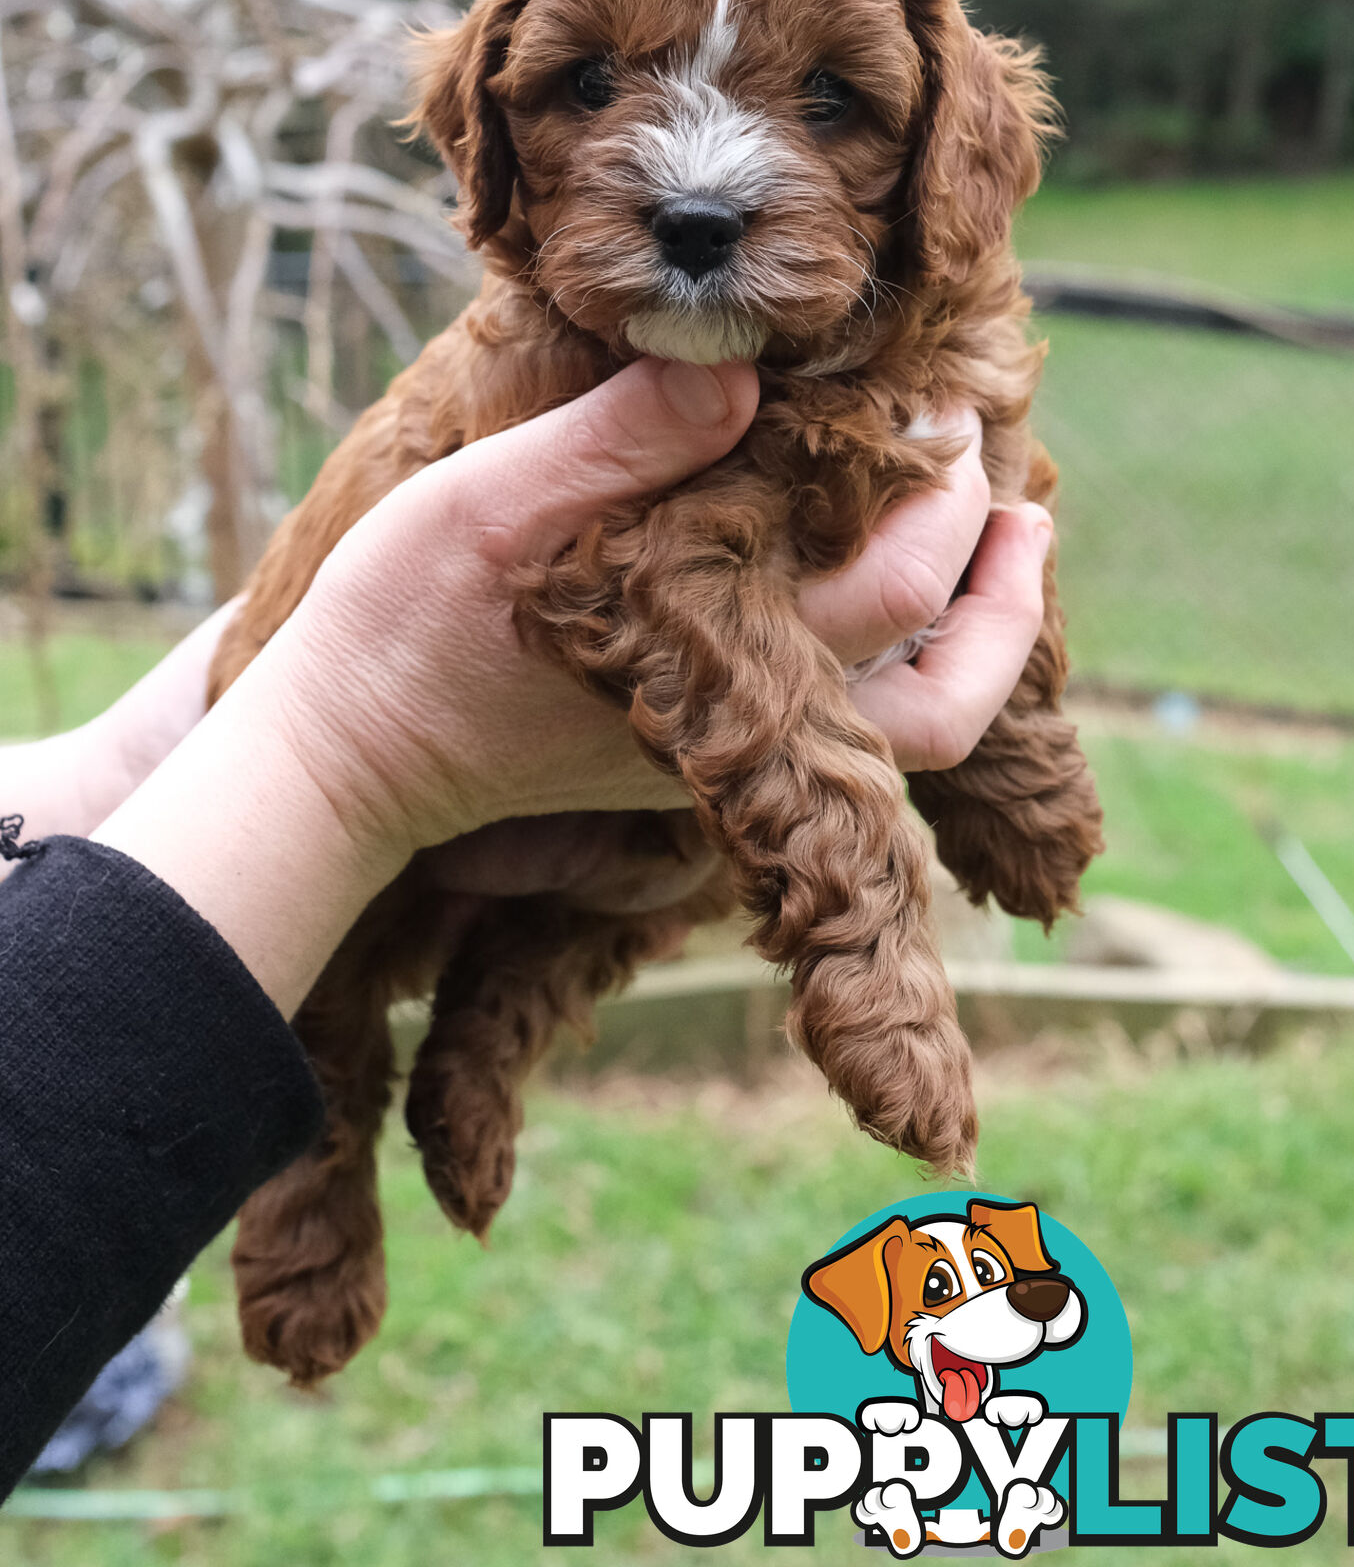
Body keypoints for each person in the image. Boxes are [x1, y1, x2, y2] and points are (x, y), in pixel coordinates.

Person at [0, 358, 1053, 1493]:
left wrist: (1015, 748)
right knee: (343, 982)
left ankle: (495, 1018)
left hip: (553, 835)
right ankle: (324, 1152)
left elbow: (997, 501)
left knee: (658, 868)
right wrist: (335, 755)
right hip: (373, 843)